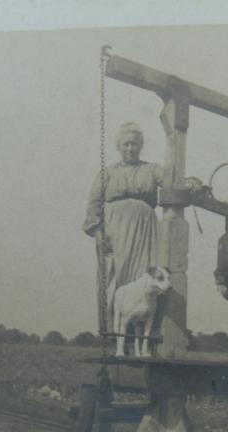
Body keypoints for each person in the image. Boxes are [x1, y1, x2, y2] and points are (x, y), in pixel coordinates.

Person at [83, 122, 163, 330]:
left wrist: (191, 182)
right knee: (114, 279)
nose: (130, 148)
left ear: (140, 146)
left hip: (145, 232)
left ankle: (144, 336)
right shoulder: (107, 173)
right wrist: (98, 232)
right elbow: (93, 205)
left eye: (135, 144)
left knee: (146, 278)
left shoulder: (151, 169)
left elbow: (173, 180)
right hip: (116, 231)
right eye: (126, 144)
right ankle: (114, 332)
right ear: (119, 146)